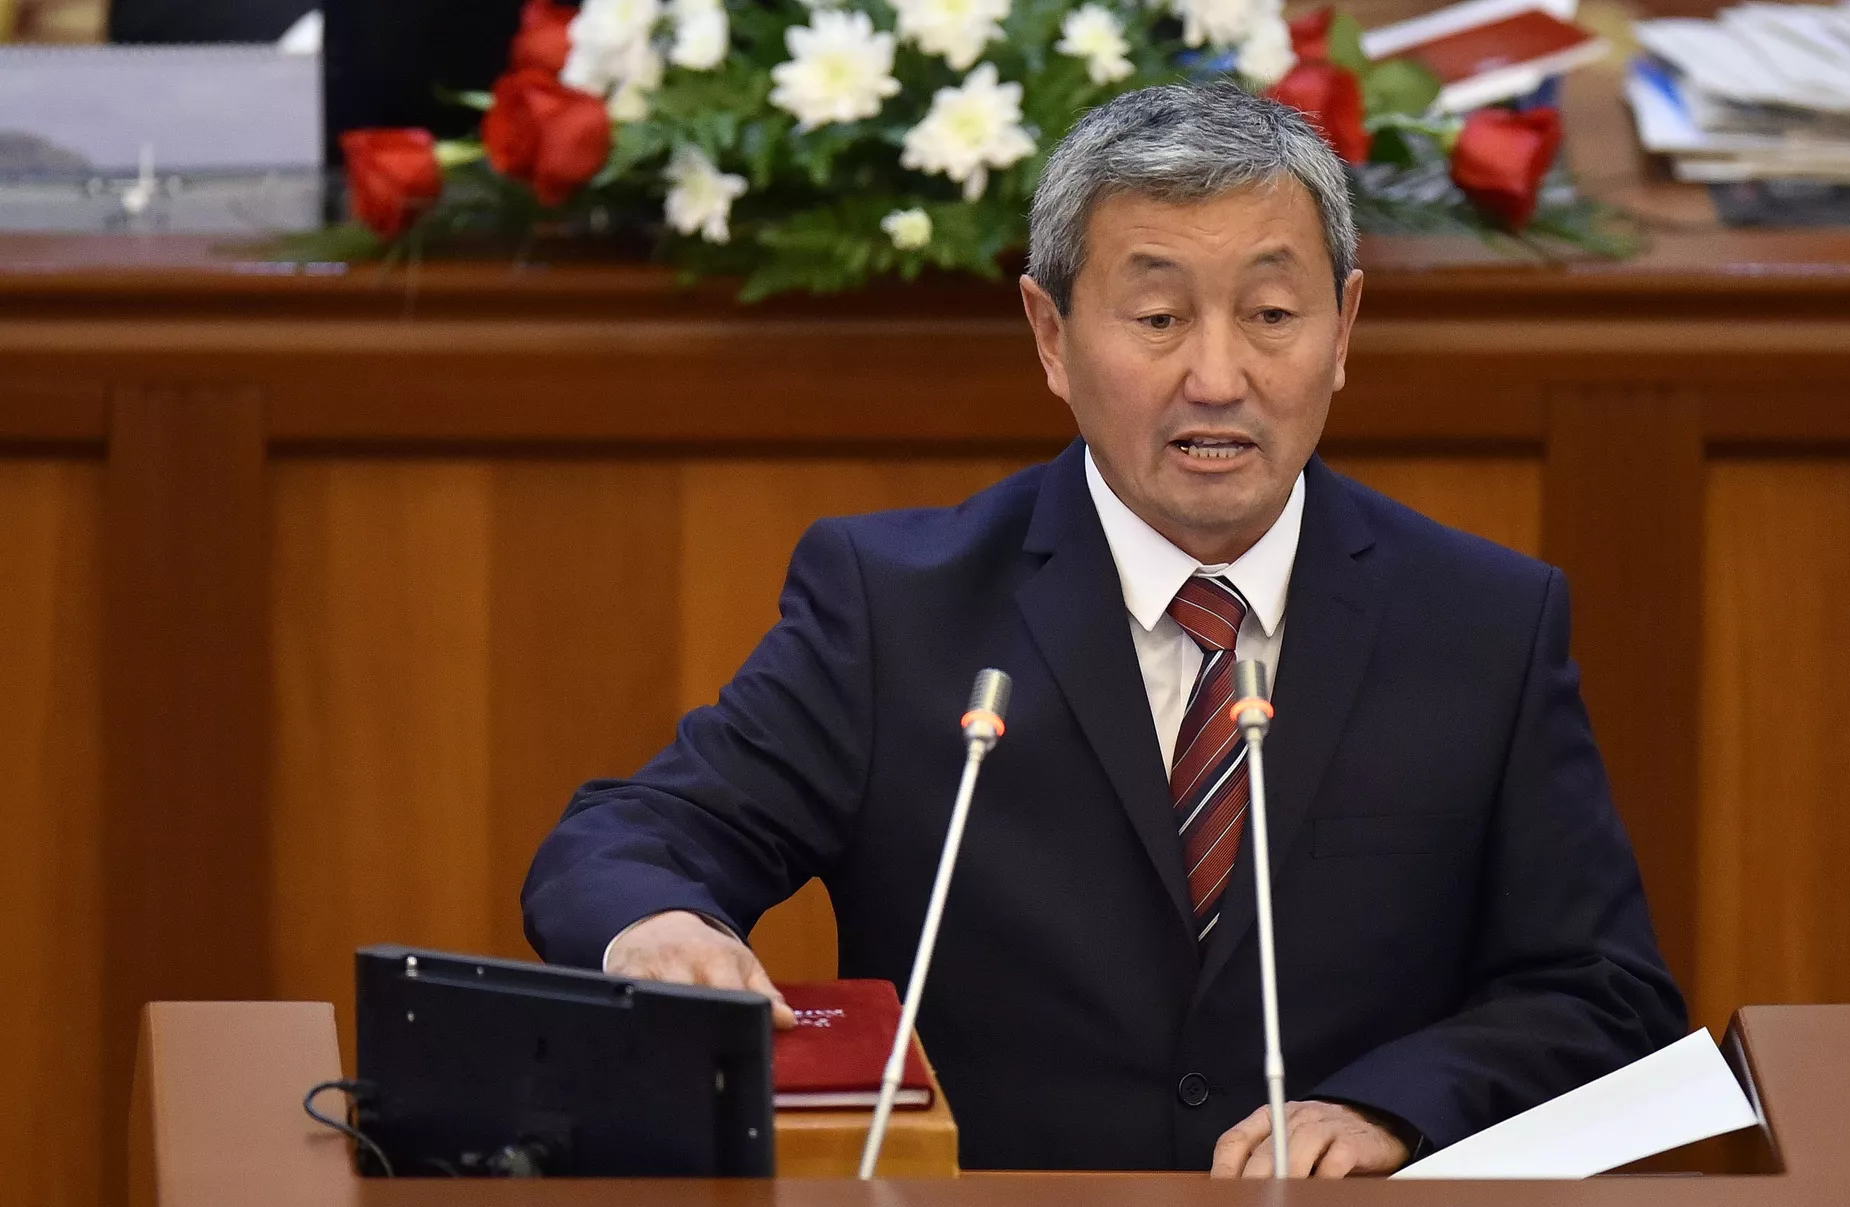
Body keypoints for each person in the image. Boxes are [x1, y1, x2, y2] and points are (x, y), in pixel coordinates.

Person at [523, 82, 1687, 1178]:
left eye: (1272, 314)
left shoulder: (1484, 622)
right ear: (1051, 333)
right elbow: (630, 836)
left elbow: (1604, 991)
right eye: (1160, 317)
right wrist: (657, 924)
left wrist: (1390, 1107)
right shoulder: (898, 608)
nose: (1218, 376)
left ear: (1343, 329)